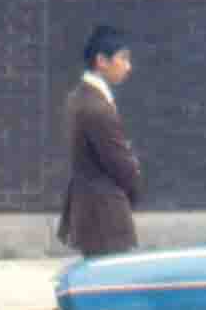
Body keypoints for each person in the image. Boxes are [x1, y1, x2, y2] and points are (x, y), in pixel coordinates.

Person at [59, 25, 142, 257]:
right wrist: (134, 182)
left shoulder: (79, 98)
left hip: (90, 210)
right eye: (123, 58)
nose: (128, 66)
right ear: (101, 61)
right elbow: (121, 165)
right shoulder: (96, 108)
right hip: (105, 214)